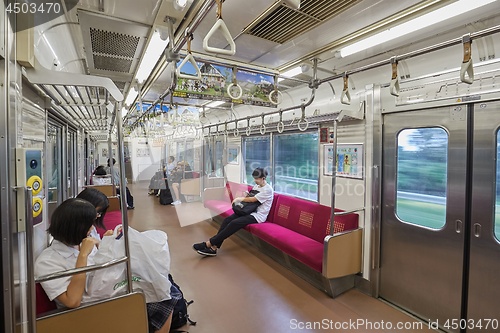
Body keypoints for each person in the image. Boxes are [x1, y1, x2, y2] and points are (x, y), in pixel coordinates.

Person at [34, 198, 180, 333]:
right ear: (75, 227)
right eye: (89, 225)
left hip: (102, 294)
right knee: (165, 299)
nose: (91, 229)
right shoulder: (47, 261)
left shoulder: (80, 243)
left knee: (159, 281)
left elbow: (99, 270)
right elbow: (73, 301)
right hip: (88, 310)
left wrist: (109, 243)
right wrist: (83, 255)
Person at [193, 167, 273, 256]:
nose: (255, 181)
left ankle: (208, 244)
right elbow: (250, 198)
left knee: (234, 223)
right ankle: (213, 248)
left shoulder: (268, 190)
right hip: (248, 211)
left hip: (257, 216)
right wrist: (246, 195)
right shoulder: (257, 186)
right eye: (254, 178)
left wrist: (238, 198)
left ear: (263, 178)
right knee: (227, 220)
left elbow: (253, 200)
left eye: (257, 179)